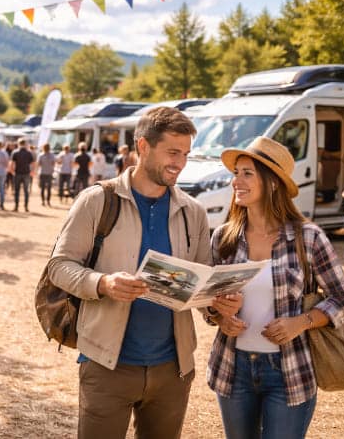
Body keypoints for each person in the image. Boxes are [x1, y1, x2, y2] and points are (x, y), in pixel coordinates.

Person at [47, 107, 211, 439]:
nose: (180, 163)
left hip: (173, 370)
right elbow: (59, 266)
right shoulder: (96, 200)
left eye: (185, 154)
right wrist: (102, 283)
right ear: (143, 146)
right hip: (107, 365)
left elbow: (202, 283)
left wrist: (219, 305)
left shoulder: (193, 212)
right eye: (172, 152)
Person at [207, 137, 344, 439]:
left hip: (289, 371)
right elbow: (210, 303)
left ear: (273, 183)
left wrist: (301, 322)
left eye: (247, 173)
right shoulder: (224, 238)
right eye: (236, 173)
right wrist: (220, 316)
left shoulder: (308, 238)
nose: (236, 181)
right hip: (233, 368)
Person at [10, 138, 35, 212]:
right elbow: (33, 163)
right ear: (25, 144)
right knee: (26, 191)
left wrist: (12, 171)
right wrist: (32, 171)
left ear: (18, 144)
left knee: (16, 191)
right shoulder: (29, 153)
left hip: (17, 173)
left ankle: (16, 206)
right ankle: (26, 207)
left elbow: (12, 163)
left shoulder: (15, 152)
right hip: (26, 173)